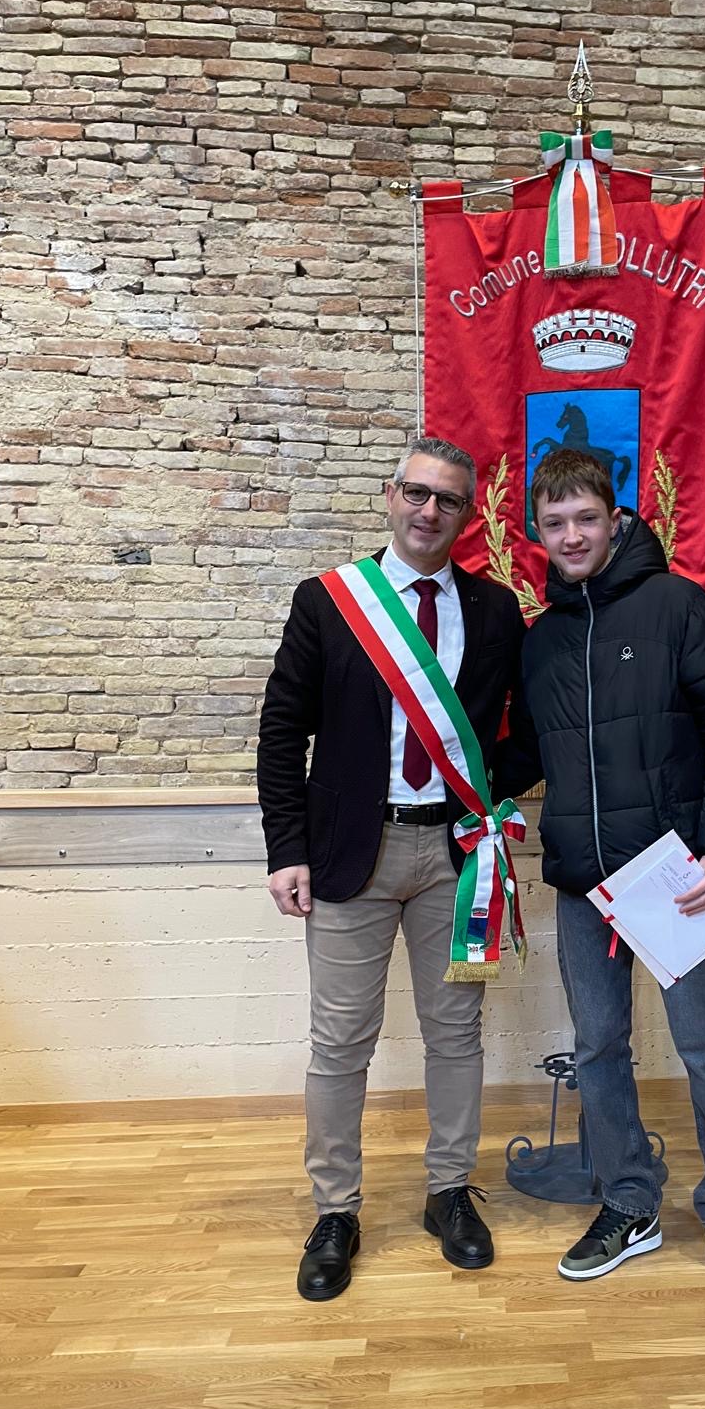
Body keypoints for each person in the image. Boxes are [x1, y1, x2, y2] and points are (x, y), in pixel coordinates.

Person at [257, 435, 535, 1301]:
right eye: (416, 493)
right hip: (350, 854)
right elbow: (281, 730)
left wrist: (488, 797)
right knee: (340, 1043)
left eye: (447, 499)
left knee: (456, 1034)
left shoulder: (495, 610)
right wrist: (286, 848)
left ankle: (449, 1190)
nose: (428, 511)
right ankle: (335, 1210)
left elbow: (526, 728)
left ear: (467, 514)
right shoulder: (329, 601)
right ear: (389, 496)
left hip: (456, 856)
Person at [520, 448, 705, 1307]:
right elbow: (527, 752)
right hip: (583, 887)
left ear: (616, 519)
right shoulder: (542, 640)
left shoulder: (677, 607)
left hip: (671, 880)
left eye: (585, 518)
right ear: (538, 533)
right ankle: (630, 1203)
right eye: (554, 523)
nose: (572, 536)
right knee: (598, 1049)